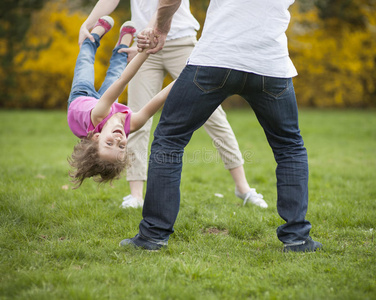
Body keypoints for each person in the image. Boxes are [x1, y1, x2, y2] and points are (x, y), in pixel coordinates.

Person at [119, 0, 323, 252]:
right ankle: (298, 239)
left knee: (169, 139)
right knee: (289, 147)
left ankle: (152, 236)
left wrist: (160, 28)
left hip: (215, 59)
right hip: (270, 65)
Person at [79, 0, 267, 209]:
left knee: (214, 116)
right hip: (145, 46)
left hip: (180, 42)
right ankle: (136, 196)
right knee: (132, 123)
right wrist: (87, 24)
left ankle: (243, 188)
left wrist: (151, 30)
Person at [68, 16, 173, 188]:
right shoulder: (131, 125)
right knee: (116, 71)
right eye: (122, 146)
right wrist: (185, 75)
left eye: (109, 143)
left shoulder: (98, 115)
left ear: (96, 137)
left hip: (81, 97)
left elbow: (122, 82)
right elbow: (159, 99)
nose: (118, 139)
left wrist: (145, 52)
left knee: (86, 62)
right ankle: (122, 46)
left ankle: (93, 37)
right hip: (109, 106)